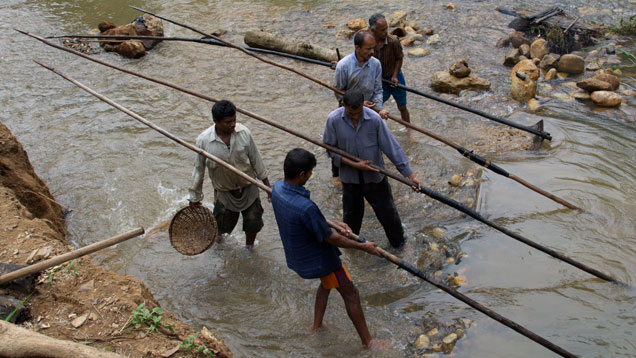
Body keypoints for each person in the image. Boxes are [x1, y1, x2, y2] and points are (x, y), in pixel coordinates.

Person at [271, 148, 384, 348]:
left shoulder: (277, 189)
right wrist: (364, 246)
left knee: (326, 285)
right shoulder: (306, 207)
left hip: (299, 256)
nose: (311, 176)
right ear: (302, 175)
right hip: (322, 259)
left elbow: (308, 220)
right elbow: (332, 239)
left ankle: (317, 326)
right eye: (310, 173)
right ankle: (369, 342)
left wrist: (331, 222)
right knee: (351, 293)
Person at [323, 89, 422, 248]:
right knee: (351, 219)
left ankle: (400, 245)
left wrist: (409, 175)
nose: (355, 117)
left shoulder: (374, 119)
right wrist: (354, 164)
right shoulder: (333, 119)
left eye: (358, 113)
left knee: (388, 215)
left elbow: (391, 148)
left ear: (363, 105)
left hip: (375, 177)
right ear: (343, 105)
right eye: (350, 114)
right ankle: (352, 250)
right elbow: (329, 149)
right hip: (350, 179)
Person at [188, 100, 271, 247]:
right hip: (225, 192)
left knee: (253, 221)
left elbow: (256, 160)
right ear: (216, 122)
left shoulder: (244, 133)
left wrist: (268, 188)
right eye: (228, 122)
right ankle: (218, 247)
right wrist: (195, 197)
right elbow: (198, 170)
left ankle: (249, 248)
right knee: (220, 226)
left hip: (248, 187)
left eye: (234, 120)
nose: (233, 124)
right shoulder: (204, 140)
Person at [332, 30, 389, 186]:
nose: (372, 52)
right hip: (348, 109)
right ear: (357, 47)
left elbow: (378, 89)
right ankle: (337, 174)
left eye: (373, 48)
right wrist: (357, 103)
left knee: (374, 138)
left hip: (370, 109)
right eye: (368, 49)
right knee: (342, 142)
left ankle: (375, 167)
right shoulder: (343, 66)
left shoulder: (375, 64)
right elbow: (338, 92)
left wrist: (378, 110)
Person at [368, 13, 410, 123]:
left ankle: (409, 129)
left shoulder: (393, 41)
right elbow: (360, 58)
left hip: (395, 76)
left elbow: (399, 58)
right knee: (374, 105)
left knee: (402, 106)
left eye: (386, 29)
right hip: (379, 79)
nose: (385, 32)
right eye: (382, 30)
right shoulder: (368, 43)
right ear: (372, 30)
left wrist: (395, 75)